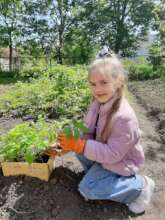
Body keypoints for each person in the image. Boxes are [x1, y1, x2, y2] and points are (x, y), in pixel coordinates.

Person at [57, 47, 155, 214]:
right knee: (80, 145)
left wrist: (81, 146)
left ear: (118, 81)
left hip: (122, 161)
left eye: (103, 82)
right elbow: (87, 131)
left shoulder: (124, 117)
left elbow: (113, 154)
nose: (97, 89)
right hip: (106, 155)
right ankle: (102, 176)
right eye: (93, 84)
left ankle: (140, 187)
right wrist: (68, 144)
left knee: (88, 189)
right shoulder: (97, 103)